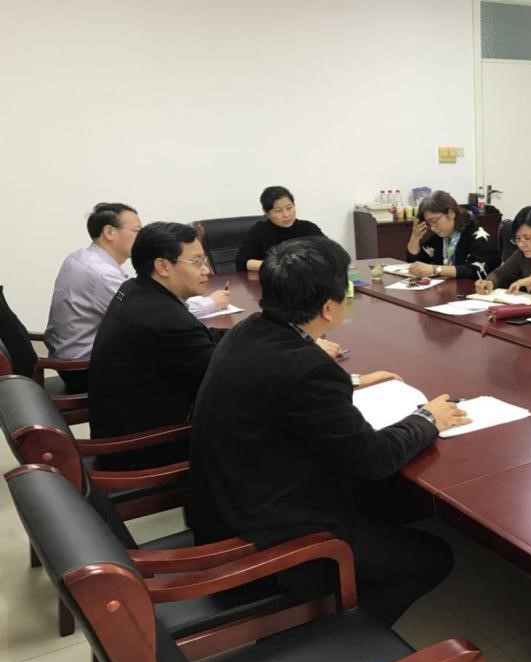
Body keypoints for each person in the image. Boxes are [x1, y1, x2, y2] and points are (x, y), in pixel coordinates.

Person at [188, 236, 470, 626]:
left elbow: (279, 388)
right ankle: (334, 637)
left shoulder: (250, 329)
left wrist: (351, 381)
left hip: (223, 506)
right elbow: (373, 460)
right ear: (327, 306)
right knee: (434, 557)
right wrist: (428, 418)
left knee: (387, 505)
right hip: (269, 533)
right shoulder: (306, 368)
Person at [88, 222, 232, 469]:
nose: (206, 270)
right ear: (163, 266)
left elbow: (202, 338)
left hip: (121, 430)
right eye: (196, 261)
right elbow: (224, 375)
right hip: (143, 450)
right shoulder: (164, 319)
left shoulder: (137, 290)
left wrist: (254, 335)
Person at [44, 203, 230, 392]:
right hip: (84, 368)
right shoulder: (103, 275)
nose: (206, 270)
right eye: (136, 230)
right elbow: (168, 318)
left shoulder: (87, 260)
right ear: (109, 232)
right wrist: (211, 303)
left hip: (80, 357)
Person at [405, 190, 499, 280]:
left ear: (451, 213)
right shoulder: (440, 237)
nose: (432, 228)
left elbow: (477, 271)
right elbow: (415, 261)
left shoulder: (477, 236)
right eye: (429, 223)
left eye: (434, 221)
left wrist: (436, 269)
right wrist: (415, 238)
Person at [235, 185, 324, 271]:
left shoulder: (308, 228)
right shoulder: (259, 231)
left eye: (289, 208)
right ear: (267, 213)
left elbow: (328, 253)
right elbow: (242, 263)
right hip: (272, 279)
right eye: (278, 210)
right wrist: (279, 266)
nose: (286, 215)